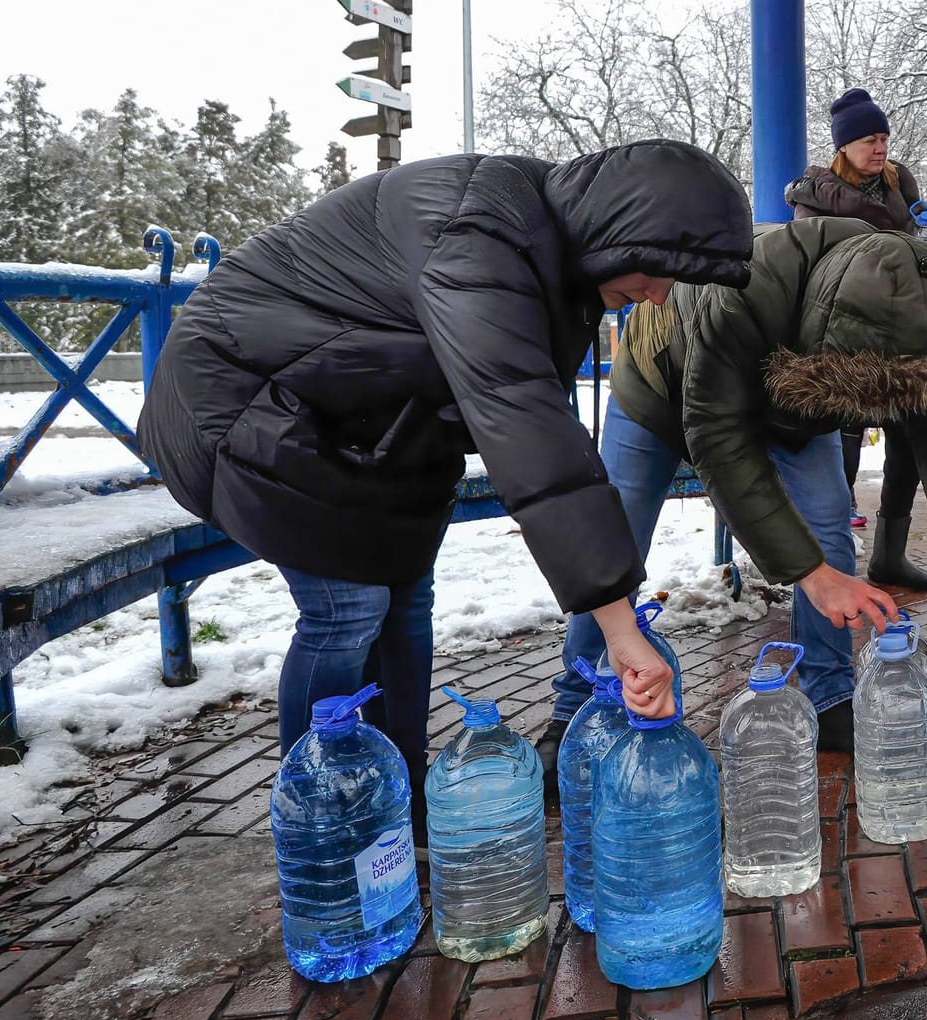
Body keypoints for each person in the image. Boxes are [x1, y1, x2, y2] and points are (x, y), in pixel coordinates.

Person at [138, 140, 755, 833]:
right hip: (245, 401)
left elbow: (524, 413)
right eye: (658, 267)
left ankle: (396, 794)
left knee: (407, 598)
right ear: (618, 230)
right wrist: (618, 626)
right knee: (347, 610)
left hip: (367, 425)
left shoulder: (547, 255)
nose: (658, 293)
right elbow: (526, 426)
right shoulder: (479, 229)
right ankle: (321, 819)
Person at [554, 217, 927, 760]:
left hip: (793, 410)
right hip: (659, 388)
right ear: (821, 345)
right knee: (614, 543)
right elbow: (719, 440)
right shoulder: (740, 287)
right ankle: (575, 706)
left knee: (829, 534)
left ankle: (830, 695)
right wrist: (809, 575)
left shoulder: (916, 296)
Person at [785, 88, 927, 590]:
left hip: (905, 335)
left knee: (907, 443)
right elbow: (817, 271)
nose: (880, 147)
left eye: (884, 137)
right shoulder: (815, 200)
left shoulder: (901, 188)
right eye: (869, 139)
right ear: (843, 146)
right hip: (846, 342)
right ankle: (832, 559)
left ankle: (890, 555)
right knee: (841, 444)